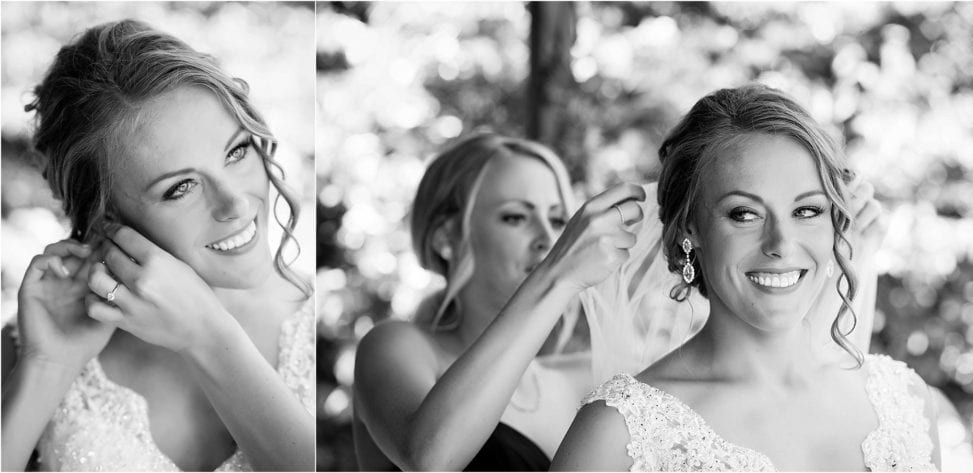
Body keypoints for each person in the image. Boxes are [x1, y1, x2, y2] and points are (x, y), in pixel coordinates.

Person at [350, 130, 884, 471]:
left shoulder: (590, 380)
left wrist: (842, 261)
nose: (546, 237)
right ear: (446, 238)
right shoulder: (396, 349)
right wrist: (560, 273)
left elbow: (779, 380)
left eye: (558, 219)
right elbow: (431, 458)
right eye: (516, 217)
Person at [551, 84, 941, 471]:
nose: (781, 244)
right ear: (690, 228)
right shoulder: (619, 433)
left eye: (806, 211)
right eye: (744, 214)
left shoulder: (905, 403)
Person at [0, 19, 314, 471]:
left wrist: (208, 336)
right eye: (180, 188)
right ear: (104, 216)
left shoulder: (317, 321)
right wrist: (45, 368)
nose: (236, 203)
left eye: (238, 151)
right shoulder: (32, 341)